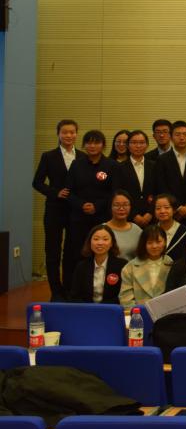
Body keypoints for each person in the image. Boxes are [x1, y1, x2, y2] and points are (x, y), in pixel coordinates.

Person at [33, 119, 85, 300]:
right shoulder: (48, 156)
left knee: (72, 251)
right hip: (55, 209)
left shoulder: (83, 156)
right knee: (53, 251)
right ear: (58, 134)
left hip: (75, 211)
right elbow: (37, 182)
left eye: (72, 132)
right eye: (65, 132)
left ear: (76, 134)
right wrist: (55, 192)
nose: (69, 135)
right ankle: (56, 290)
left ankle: (70, 289)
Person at [65, 129, 119, 290]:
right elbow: (68, 192)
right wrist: (81, 205)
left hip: (102, 218)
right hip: (78, 218)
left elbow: (114, 193)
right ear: (84, 145)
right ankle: (74, 291)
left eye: (96, 143)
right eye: (89, 143)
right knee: (76, 254)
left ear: (103, 145)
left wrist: (97, 206)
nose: (92, 146)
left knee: (102, 253)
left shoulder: (111, 165)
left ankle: (101, 289)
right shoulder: (76, 164)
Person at [68, 224, 128, 304]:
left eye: (105, 239)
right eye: (96, 239)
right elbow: (74, 296)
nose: (100, 243)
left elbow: (124, 295)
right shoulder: (81, 266)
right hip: (86, 309)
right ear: (90, 242)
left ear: (111, 243)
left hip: (112, 309)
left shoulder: (122, 265)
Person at [119, 224, 173, 306]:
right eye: (150, 243)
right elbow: (126, 299)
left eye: (158, 242)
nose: (154, 246)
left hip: (166, 312)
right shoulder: (130, 267)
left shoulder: (172, 264)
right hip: (139, 312)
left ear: (165, 242)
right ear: (143, 244)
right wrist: (139, 312)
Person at [116, 130, 156, 229]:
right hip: (128, 217)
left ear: (147, 145)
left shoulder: (155, 166)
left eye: (141, 143)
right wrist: (133, 215)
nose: (138, 146)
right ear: (128, 145)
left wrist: (150, 213)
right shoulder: (119, 168)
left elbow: (159, 191)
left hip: (152, 217)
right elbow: (118, 193)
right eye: (134, 142)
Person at [105, 190, 143, 260]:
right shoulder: (103, 229)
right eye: (117, 205)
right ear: (110, 207)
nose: (121, 208)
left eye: (125, 205)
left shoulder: (137, 230)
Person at [153, 193, 186, 261]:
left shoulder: (185, 232)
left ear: (174, 210)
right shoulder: (150, 231)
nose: (162, 211)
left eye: (166, 207)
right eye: (158, 208)